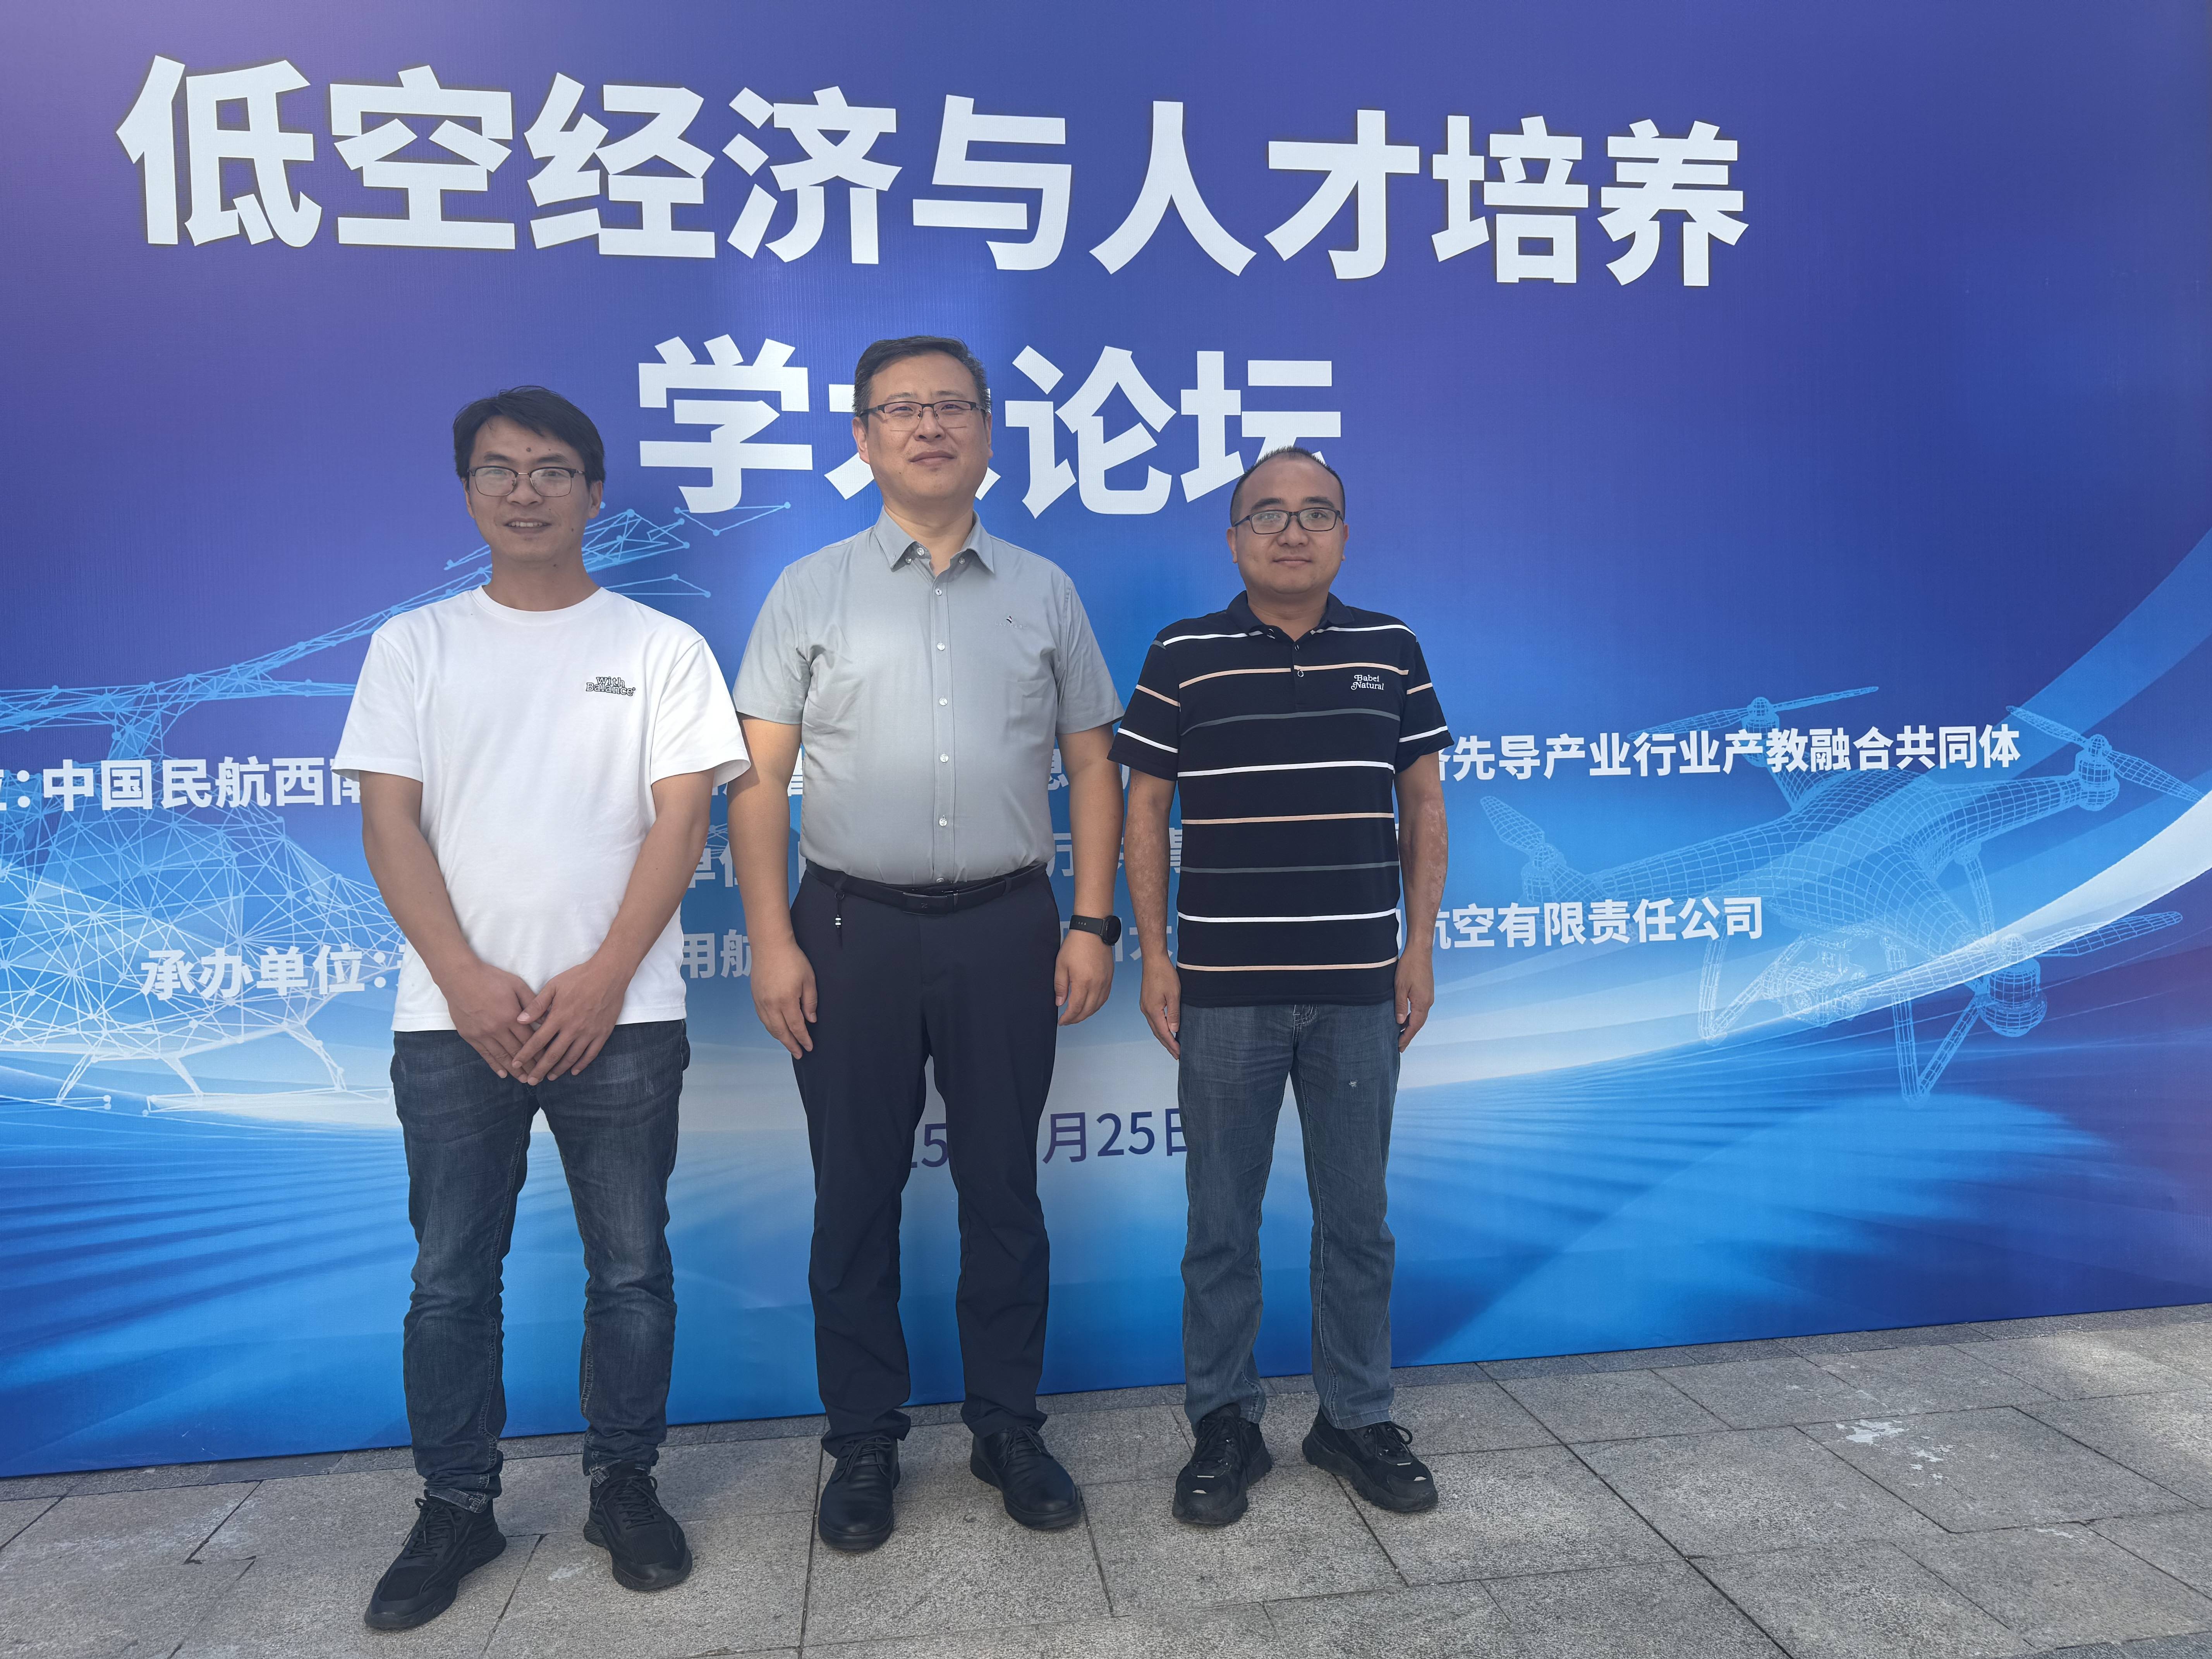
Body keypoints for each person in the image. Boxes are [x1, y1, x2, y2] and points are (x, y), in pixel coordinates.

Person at [336, 387, 749, 1629]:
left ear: (595, 492)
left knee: (631, 1267)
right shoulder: (415, 645)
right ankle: (457, 1502)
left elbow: (683, 819)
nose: (527, 491)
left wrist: (608, 971)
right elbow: (389, 820)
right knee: (450, 1277)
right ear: (467, 490)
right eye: (500, 470)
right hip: (450, 1019)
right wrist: (464, 977)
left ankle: (625, 1485)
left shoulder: (660, 647)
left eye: (554, 469)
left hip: (624, 1015)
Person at [727, 335, 1124, 1552]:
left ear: (989, 431)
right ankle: (862, 1439)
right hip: (850, 929)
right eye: (902, 408)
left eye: (953, 405)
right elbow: (757, 778)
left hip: (1010, 924)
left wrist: (1092, 919)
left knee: (1005, 1188)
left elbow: (1093, 764)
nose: (930, 426)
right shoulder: (809, 588)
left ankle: (1008, 1425)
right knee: (854, 1192)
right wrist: (771, 940)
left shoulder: (1044, 590)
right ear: (863, 438)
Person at [1114, 446, 1453, 1527]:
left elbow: (1424, 807)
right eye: (1268, 513)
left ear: (1344, 535)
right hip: (1225, 990)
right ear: (1233, 539)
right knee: (1220, 1222)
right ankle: (1225, 1421)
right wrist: (1155, 956)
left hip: (1359, 988)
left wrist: (1418, 948)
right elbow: (1144, 811)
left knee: (1358, 1221)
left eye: (1316, 513)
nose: (1292, 531)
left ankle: (1354, 1416)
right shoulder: (1184, 653)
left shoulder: (1392, 649)